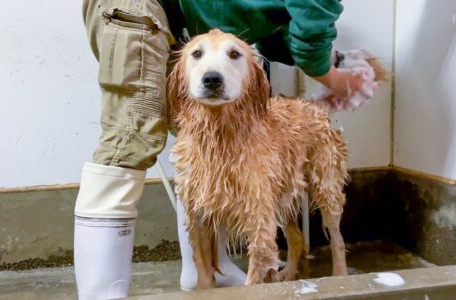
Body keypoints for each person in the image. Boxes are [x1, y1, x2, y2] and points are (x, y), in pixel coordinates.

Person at [74, 0, 363, 299]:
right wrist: (332, 75)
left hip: (179, 16)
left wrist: (330, 57)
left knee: (203, 140)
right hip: (139, 5)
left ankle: (208, 271)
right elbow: (308, 24)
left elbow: (273, 34)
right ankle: (100, 295)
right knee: (131, 135)